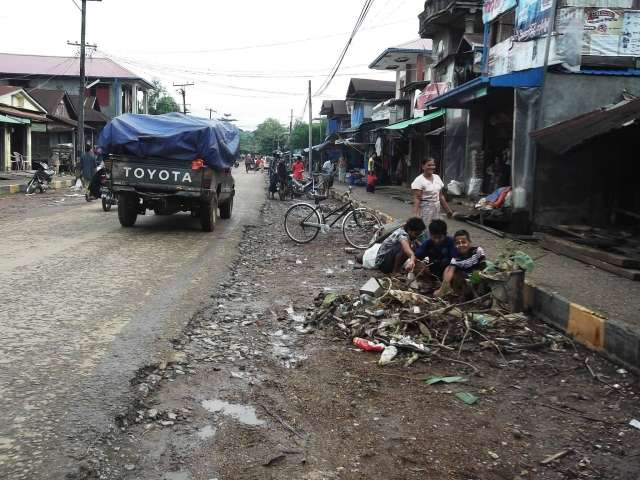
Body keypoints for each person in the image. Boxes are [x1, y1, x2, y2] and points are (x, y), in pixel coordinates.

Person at [435, 230, 486, 297]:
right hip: (467, 284)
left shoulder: (478, 250)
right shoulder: (456, 259)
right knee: (449, 269)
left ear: (469, 242)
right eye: (458, 243)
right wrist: (441, 290)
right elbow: (450, 271)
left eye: (464, 242)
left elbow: (484, 265)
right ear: (455, 245)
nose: (461, 245)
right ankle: (446, 290)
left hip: (480, 279)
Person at [411, 157, 454, 226]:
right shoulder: (419, 180)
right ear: (423, 167)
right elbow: (417, 198)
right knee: (426, 229)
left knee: (438, 229)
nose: (432, 167)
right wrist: (414, 215)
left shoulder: (437, 178)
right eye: (429, 165)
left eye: (433, 165)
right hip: (425, 210)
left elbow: (440, 196)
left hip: (437, 209)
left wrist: (448, 210)